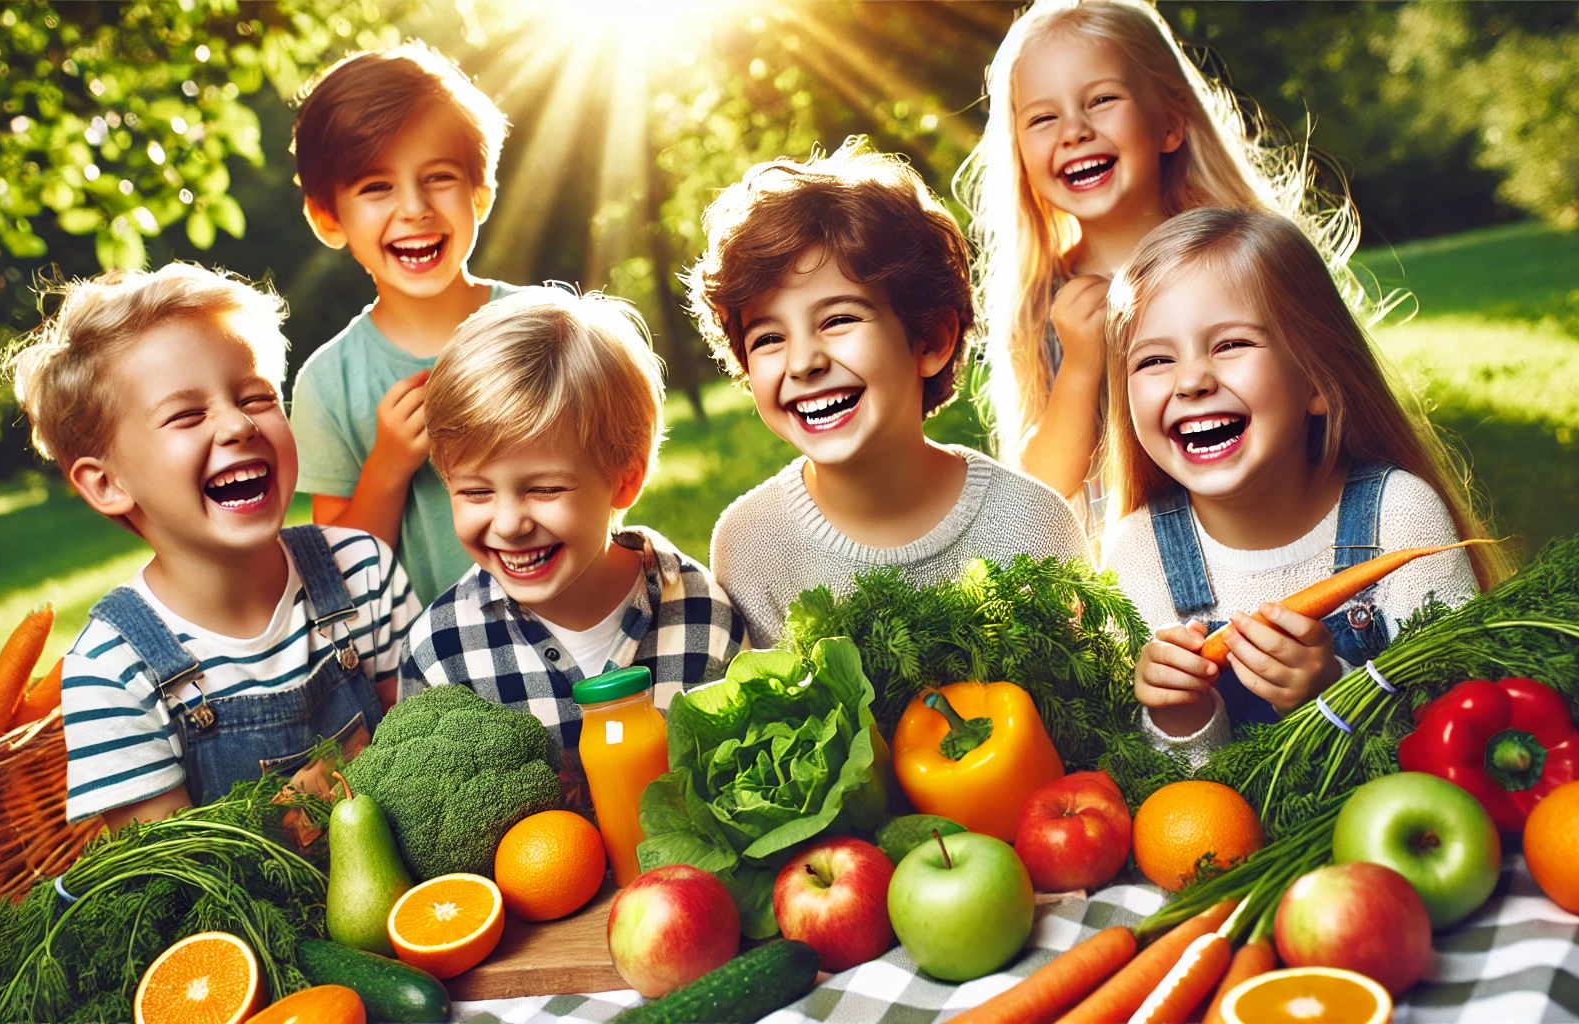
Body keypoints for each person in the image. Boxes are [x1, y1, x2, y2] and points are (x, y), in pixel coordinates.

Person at [2, 264, 421, 829]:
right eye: (187, 415)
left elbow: (424, 740)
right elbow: (180, 879)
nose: (237, 425)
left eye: (255, 397)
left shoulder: (362, 569)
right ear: (107, 484)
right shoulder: (111, 671)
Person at [1100, 208, 1510, 763]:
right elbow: (1174, 804)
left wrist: (1337, 690)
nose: (1192, 380)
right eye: (1154, 359)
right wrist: (1178, 716)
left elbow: (1468, 724)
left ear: (1317, 378)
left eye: (1231, 345)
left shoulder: (1399, 515)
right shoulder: (1139, 550)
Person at [958, 0, 1359, 543]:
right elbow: (1043, 487)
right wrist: (1080, 363)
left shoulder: (1242, 260)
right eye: (1043, 118)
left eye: (1101, 100)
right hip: (1134, 592)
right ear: (1020, 155)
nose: (1073, 131)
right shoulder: (1043, 299)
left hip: (1270, 542)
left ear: (1170, 124)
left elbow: (1334, 411)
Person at [687, 140, 1090, 648]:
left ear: (932, 339)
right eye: (768, 338)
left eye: (838, 320)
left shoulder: (1030, 522)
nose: (803, 361)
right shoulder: (750, 545)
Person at [399, 289, 744, 805]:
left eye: (545, 489)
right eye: (475, 492)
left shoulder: (705, 617)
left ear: (625, 480)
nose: (510, 523)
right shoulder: (439, 655)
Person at [288, 41, 522, 603]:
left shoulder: (545, 327)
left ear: (480, 195)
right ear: (328, 219)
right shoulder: (328, 385)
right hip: (432, 673)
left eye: (438, 177)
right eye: (376, 187)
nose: (414, 207)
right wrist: (387, 469)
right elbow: (342, 580)